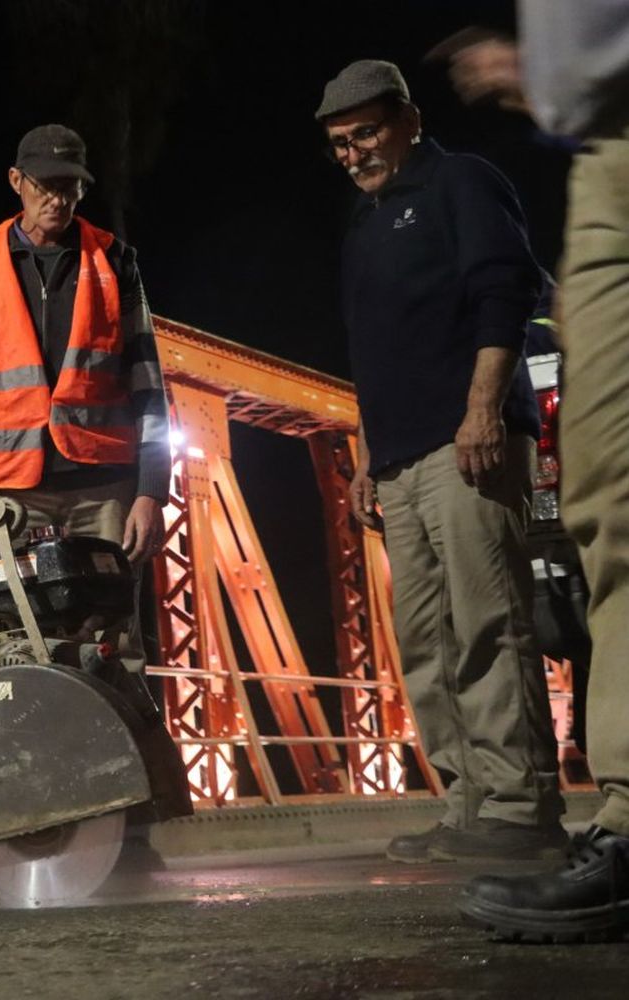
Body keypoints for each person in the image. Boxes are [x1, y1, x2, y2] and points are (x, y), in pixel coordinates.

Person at [317, 59, 567, 863]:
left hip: (468, 443)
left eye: (366, 134)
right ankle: (467, 804)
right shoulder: (363, 224)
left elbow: (508, 289)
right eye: (339, 144)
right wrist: (364, 454)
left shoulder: (462, 182)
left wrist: (485, 409)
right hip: (398, 458)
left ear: (409, 120)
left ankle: (521, 807)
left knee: (489, 621)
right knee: (425, 641)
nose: (354, 153)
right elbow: (374, 353)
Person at [438, 3, 629, 939]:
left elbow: (500, 294)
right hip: (603, 151)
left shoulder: (460, 188)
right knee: (612, 502)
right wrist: (561, 63)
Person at [0, 123, 171, 671]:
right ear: (16, 181)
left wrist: (151, 490)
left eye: (71, 187)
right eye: (45, 185)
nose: (57, 199)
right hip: (9, 494)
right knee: (11, 650)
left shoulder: (115, 261)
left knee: (115, 650)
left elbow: (149, 390)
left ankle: (118, 756)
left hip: (104, 492)